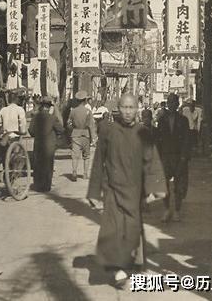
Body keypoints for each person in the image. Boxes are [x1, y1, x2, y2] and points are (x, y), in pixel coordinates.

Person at [87, 93, 166, 289]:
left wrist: (156, 187)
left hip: (135, 191)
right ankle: (117, 271)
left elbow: (151, 160)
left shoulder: (144, 132)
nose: (128, 112)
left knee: (131, 230)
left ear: (137, 109)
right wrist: (93, 192)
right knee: (112, 230)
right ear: (118, 109)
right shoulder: (108, 130)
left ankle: (131, 265)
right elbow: (99, 161)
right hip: (112, 188)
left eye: (131, 108)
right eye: (124, 107)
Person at [155, 93, 190, 223]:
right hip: (165, 156)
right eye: (169, 102)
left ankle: (177, 211)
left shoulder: (183, 120)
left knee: (179, 185)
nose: (171, 105)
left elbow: (187, 140)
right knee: (164, 184)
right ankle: (166, 209)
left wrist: (184, 157)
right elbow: (158, 140)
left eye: (173, 102)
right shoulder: (162, 120)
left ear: (177, 104)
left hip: (178, 156)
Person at [29, 96, 65, 192]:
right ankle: (46, 186)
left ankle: (38, 185)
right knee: (48, 165)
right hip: (49, 146)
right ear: (49, 107)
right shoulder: (52, 118)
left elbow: (31, 131)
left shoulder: (35, 117)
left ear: (42, 106)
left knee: (37, 165)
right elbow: (61, 129)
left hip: (38, 144)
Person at [67, 90, 95, 181]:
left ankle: (74, 172)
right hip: (86, 135)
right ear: (85, 100)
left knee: (75, 156)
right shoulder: (88, 111)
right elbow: (91, 125)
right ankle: (85, 174)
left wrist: (71, 130)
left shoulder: (73, 111)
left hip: (75, 135)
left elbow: (68, 124)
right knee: (86, 156)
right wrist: (93, 138)